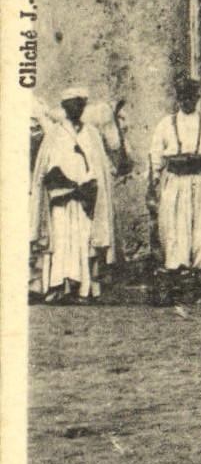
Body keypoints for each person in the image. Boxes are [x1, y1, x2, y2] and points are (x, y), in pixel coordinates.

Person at [147, 74, 201, 291]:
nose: (187, 101)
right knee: (175, 225)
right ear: (178, 98)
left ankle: (199, 275)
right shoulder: (166, 124)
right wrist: (153, 181)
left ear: (197, 98)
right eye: (183, 97)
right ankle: (176, 272)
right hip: (176, 181)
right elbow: (156, 155)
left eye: (191, 97)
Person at [29, 86, 113, 302]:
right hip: (60, 199)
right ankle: (57, 286)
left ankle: (82, 288)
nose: (77, 108)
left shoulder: (92, 134)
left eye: (81, 104)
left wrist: (89, 188)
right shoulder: (54, 135)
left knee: (84, 238)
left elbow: (100, 168)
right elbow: (44, 171)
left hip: (85, 200)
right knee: (61, 240)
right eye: (72, 104)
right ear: (65, 107)